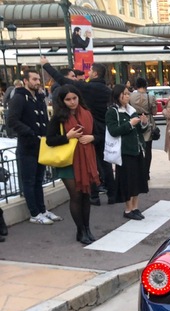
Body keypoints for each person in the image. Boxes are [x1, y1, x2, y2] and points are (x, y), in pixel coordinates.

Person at [42, 57, 115, 206]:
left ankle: (94, 196)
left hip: (86, 128)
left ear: (95, 74)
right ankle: (112, 195)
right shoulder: (107, 90)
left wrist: (47, 66)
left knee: (90, 162)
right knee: (105, 163)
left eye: (91, 71)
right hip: (101, 130)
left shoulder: (88, 88)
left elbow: (64, 82)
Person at [46, 85, 100, 244]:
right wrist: (67, 136)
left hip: (86, 160)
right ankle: (80, 231)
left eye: (74, 98)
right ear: (62, 101)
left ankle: (87, 228)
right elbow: (49, 140)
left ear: (78, 97)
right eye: (68, 99)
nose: (72, 102)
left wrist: (92, 138)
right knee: (76, 195)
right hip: (68, 161)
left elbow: (99, 134)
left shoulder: (87, 113)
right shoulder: (58, 117)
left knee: (86, 195)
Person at [7, 69, 63, 224]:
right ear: (25, 81)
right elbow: (12, 121)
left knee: (39, 179)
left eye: (38, 79)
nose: (38, 82)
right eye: (34, 79)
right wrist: (30, 132)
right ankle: (34, 213)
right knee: (29, 181)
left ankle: (42, 209)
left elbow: (44, 117)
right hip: (27, 145)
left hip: (40, 145)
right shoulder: (19, 98)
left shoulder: (38, 97)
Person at [105, 84, 149, 220]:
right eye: (124, 94)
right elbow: (113, 131)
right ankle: (128, 209)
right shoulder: (113, 111)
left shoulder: (131, 110)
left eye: (128, 94)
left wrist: (143, 123)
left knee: (137, 180)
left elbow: (139, 130)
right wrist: (130, 124)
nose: (127, 96)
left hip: (137, 150)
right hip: (124, 151)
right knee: (127, 181)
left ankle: (135, 207)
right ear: (117, 95)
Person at [129, 77, 157, 181]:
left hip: (135, 120)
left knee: (136, 148)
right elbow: (154, 111)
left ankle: (138, 171)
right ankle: (146, 172)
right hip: (148, 121)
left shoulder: (131, 96)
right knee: (148, 149)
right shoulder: (150, 97)